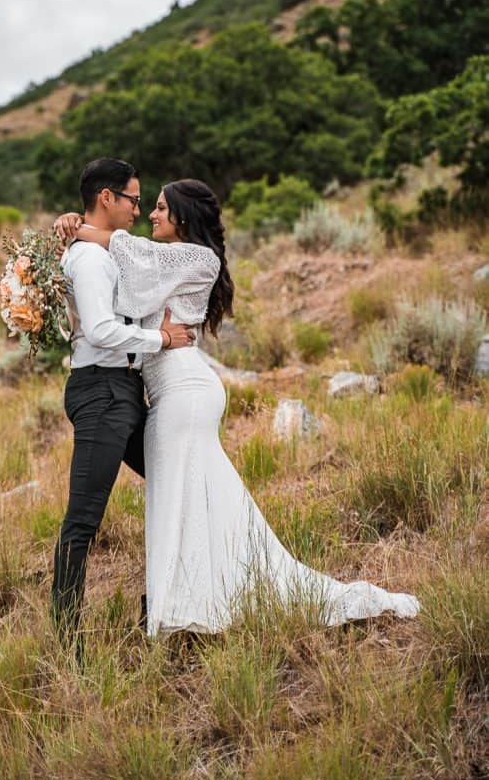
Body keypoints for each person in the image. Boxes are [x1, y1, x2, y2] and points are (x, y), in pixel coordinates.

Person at [54, 177, 420, 637]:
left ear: (183, 217)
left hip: (184, 388)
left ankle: (181, 608)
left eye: (162, 208)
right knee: (189, 493)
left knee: (174, 492)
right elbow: (121, 264)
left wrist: (73, 228)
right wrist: (74, 224)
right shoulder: (160, 259)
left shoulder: (196, 257)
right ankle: (194, 596)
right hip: (170, 388)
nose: (151, 214)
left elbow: (122, 250)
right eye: (149, 205)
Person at [52, 158, 195, 649]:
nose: (139, 207)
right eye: (134, 198)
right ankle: (68, 645)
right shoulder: (90, 260)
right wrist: (162, 339)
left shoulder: (104, 251)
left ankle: (163, 604)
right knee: (84, 520)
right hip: (102, 391)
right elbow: (101, 331)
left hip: (124, 391)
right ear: (107, 198)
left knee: (177, 481)